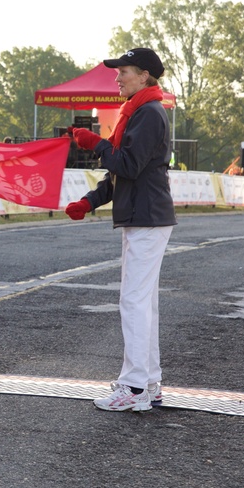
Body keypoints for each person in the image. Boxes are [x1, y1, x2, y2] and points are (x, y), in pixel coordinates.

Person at [66, 48, 176, 412]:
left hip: (146, 218)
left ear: (144, 76)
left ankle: (134, 387)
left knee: (133, 302)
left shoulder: (148, 113)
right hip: (144, 215)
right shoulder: (139, 111)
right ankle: (148, 383)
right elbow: (122, 174)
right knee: (143, 303)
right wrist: (89, 201)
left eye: (124, 71)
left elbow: (126, 165)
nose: (117, 78)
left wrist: (94, 143)